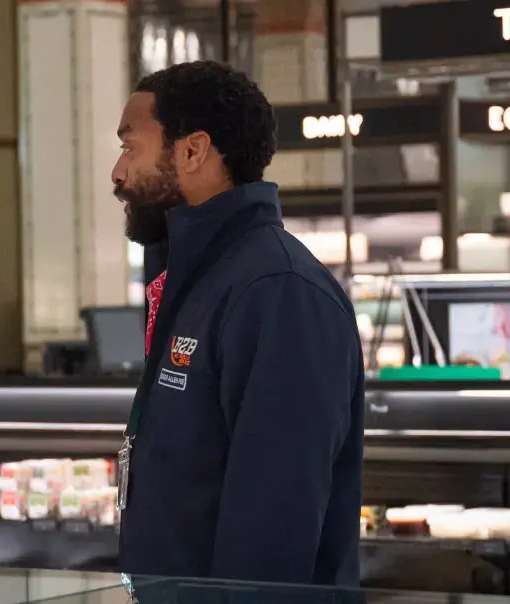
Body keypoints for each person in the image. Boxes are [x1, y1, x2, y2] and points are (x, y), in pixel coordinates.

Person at [112, 61, 364, 585]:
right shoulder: (201, 277)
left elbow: (274, 526)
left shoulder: (278, 291)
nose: (118, 172)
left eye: (130, 147)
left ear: (193, 151)